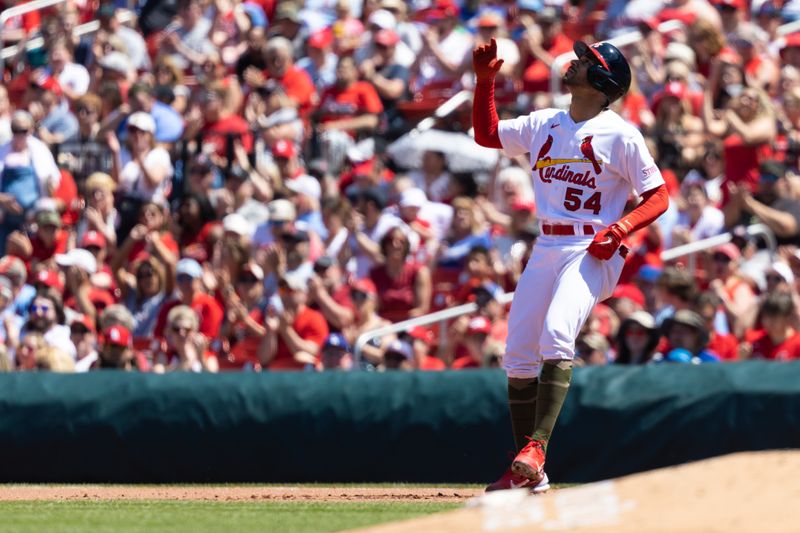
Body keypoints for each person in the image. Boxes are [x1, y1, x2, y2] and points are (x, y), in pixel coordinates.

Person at [473, 39, 669, 491]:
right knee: (519, 352)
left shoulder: (620, 133)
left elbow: (658, 195)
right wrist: (485, 83)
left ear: (602, 82)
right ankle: (526, 473)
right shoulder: (546, 121)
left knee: (558, 331)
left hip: (591, 247)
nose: (574, 62)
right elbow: (488, 135)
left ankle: (537, 446)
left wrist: (620, 230)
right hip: (547, 243)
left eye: (586, 62)